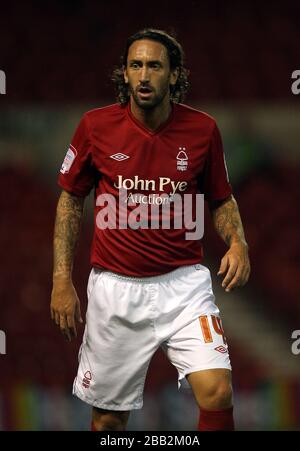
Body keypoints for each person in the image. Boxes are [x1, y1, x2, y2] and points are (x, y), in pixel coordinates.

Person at [51, 28, 250, 431]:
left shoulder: (203, 130)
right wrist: (60, 280)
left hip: (184, 287)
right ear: (124, 73)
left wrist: (238, 243)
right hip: (115, 291)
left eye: (154, 66)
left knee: (217, 391)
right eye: (135, 65)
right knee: (109, 421)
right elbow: (70, 200)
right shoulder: (94, 127)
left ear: (174, 75)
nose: (143, 75)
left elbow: (221, 199)